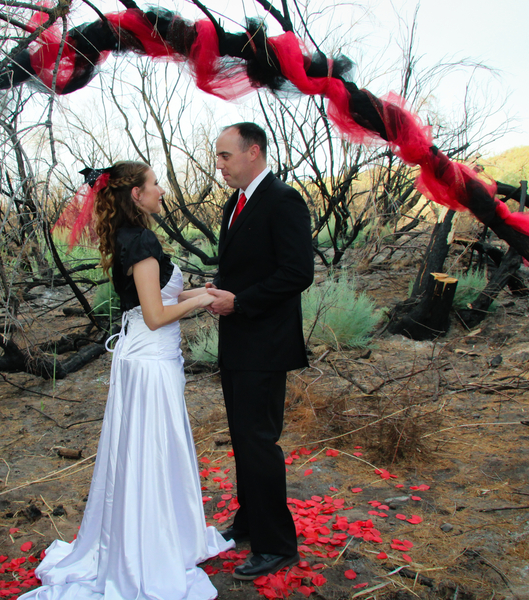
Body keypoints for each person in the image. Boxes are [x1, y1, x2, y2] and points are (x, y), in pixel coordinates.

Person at [20, 161, 233, 600]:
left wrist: (204, 293)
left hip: (144, 354)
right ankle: (147, 550)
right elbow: (157, 316)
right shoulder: (142, 240)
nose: (160, 190)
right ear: (136, 194)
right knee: (151, 448)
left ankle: (155, 537)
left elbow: (155, 299)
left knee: (149, 448)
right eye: (154, 183)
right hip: (150, 358)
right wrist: (200, 305)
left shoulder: (129, 238)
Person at [206, 123, 314, 580]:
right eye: (218, 156)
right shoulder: (236, 202)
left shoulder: (283, 200)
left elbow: (297, 272)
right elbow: (250, 265)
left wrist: (241, 301)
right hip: (239, 342)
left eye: (226, 156)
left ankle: (277, 545)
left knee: (259, 443)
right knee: (243, 443)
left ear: (253, 152)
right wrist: (223, 291)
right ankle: (251, 522)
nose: (219, 164)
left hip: (265, 345)